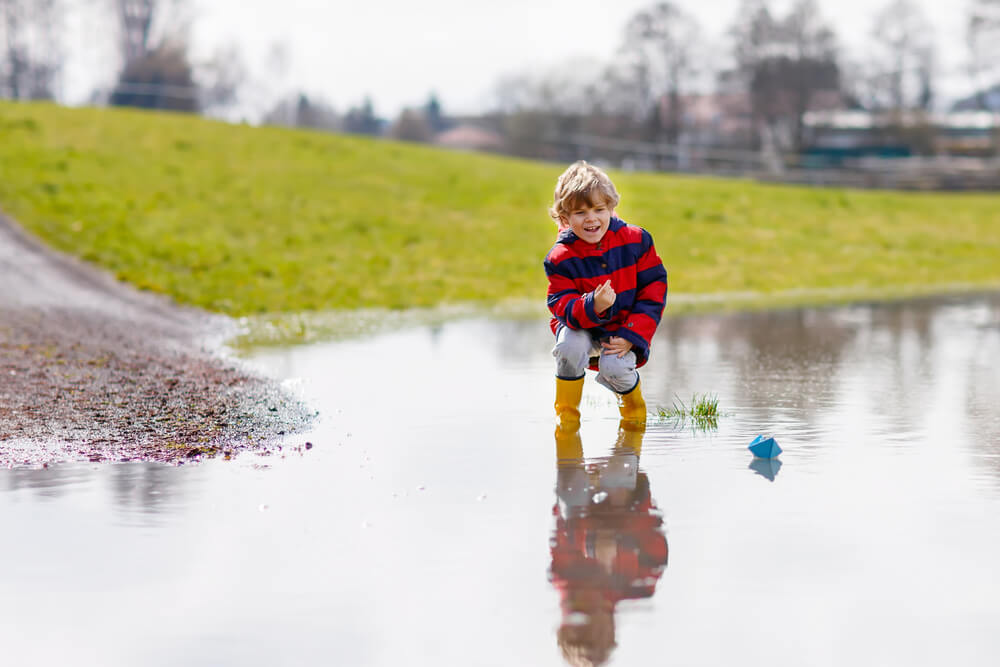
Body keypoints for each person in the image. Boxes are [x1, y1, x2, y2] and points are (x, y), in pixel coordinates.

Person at [543, 161, 667, 424]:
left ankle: (634, 413)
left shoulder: (636, 241)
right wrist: (592, 305)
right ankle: (567, 418)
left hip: (623, 327)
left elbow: (653, 292)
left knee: (615, 367)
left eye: (599, 209)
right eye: (580, 212)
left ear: (611, 207)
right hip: (579, 327)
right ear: (564, 218)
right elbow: (560, 304)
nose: (591, 218)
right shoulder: (560, 257)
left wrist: (632, 335)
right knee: (568, 347)